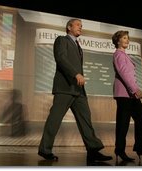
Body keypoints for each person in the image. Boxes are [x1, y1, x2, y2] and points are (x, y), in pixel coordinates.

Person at [38, 18, 112, 162]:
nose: (81, 27)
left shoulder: (78, 45)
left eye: (81, 26)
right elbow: (61, 58)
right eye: (78, 25)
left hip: (78, 90)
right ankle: (45, 150)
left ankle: (93, 150)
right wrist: (75, 74)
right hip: (64, 87)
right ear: (69, 27)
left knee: (86, 120)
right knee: (55, 119)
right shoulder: (62, 40)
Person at [111, 30, 142, 161]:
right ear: (118, 41)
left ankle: (141, 148)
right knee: (123, 123)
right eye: (124, 38)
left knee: (141, 119)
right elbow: (124, 74)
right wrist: (136, 90)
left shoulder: (125, 55)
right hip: (124, 94)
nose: (127, 40)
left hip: (130, 94)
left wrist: (134, 91)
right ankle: (120, 150)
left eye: (128, 38)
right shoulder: (119, 55)